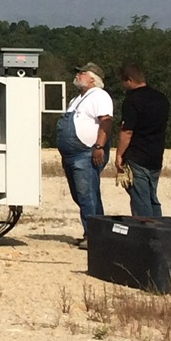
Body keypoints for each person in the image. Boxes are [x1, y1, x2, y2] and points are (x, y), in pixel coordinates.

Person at [58, 64, 114, 232]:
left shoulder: (99, 96)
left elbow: (106, 121)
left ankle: (94, 234)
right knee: (80, 195)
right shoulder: (76, 100)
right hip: (70, 155)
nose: (77, 75)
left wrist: (99, 146)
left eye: (82, 73)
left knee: (87, 196)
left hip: (86, 153)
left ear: (93, 79)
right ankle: (95, 232)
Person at [116, 62, 170, 219]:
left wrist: (119, 155)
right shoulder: (161, 98)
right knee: (153, 198)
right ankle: (159, 231)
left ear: (129, 80)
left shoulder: (132, 100)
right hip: (156, 155)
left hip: (137, 156)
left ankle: (145, 234)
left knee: (141, 200)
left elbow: (127, 131)